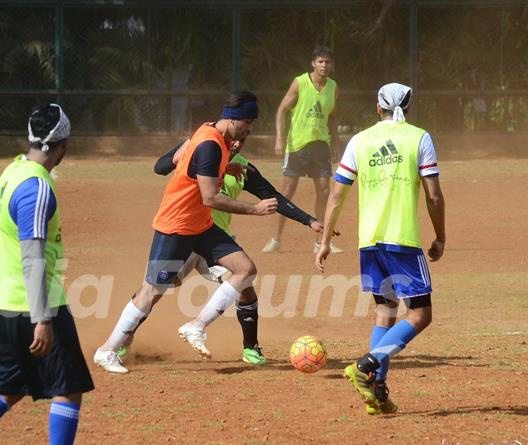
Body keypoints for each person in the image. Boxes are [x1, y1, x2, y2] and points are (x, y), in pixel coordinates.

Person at [93, 91, 278, 374]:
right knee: (151, 291)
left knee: (245, 270)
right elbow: (210, 198)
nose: (250, 129)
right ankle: (107, 350)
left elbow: (180, 158)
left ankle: (196, 326)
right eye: (249, 122)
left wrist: (215, 167)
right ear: (234, 119)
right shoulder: (210, 145)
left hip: (201, 226)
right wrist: (255, 209)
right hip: (177, 227)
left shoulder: (206, 132)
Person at [114, 138, 327, 366]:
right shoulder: (199, 151)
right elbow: (160, 167)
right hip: (182, 235)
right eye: (234, 138)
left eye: (243, 139)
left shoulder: (243, 168)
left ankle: (250, 348)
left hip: (215, 242)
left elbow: (271, 196)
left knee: (244, 284)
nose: (237, 143)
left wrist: (309, 220)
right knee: (153, 291)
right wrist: (186, 147)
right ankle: (123, 340)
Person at [0, 104, 94, 444]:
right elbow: (32, 256)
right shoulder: (37, 187)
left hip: (5, 300)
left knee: (9, 387)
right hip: (34, 303)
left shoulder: (12, 172)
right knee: (68, 387)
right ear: (63, 146)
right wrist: (43, 318)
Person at [315, 83, 446, 415]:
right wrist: (440, 236)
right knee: (420, 314)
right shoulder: (419, 138)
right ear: (408, 108)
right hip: (401, 240)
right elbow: (433, 195)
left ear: (378, 108)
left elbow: (335, 196)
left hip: (369, 242)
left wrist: (325, 241)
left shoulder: (359, 141)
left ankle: (377, 392)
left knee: (385, 312)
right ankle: (366, 365)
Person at [263, 46, 342, 254]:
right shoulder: (300, 83)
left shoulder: (333, 87)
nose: (324, 65)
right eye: (320, 61)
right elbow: (281, 110)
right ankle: (276, 239)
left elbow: (333, 117)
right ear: (313, 63)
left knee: (324, 191)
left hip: (321, 146)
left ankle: (321, 242)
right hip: (297, 145)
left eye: (327, 62)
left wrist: (336, 141)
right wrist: (279, 137)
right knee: (287, 192)